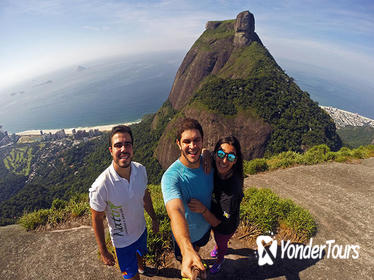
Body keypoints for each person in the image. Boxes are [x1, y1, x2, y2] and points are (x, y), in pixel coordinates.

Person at [89, 125, 159, 280]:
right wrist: (103, 251)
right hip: (122, 243)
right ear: (111, 150)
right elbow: (96, 219)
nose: (123, 149)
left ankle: (141, 268)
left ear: (132, 148)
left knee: (141, 257)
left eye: (127, 144)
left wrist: (154, 218)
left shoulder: (141, 170)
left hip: (141, 230)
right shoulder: (102, 185)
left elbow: (145, 196)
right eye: (118, 145)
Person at [161, 118, 214, 280]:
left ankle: (195, 251)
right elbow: (175, 211)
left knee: (198, 247)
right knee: (189, 270)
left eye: (196, 140)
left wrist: (207, 153)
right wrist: (186, 248)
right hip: (184, 239)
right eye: (187, 141)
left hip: (205, 229)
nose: (192, 146)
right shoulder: (171, 177)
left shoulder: (209, 164)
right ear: (178, 144)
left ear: (202, 141)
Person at [188, 136, 244, 274]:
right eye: (220, 154)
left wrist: (202, 210)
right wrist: (206, 153)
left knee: (221, 241)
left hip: (225, 225)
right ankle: (219, 249)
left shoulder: (231, 191)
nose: (224, 160)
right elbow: (206, 151)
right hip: (215, 212)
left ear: (235, 160)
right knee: (216, 237)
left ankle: (220, 260)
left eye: (230, 157)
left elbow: (221, 222)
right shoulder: (214, 160)